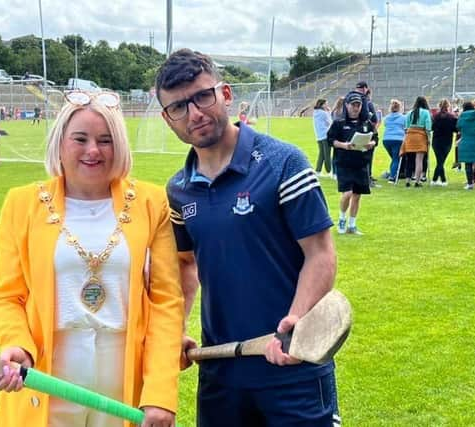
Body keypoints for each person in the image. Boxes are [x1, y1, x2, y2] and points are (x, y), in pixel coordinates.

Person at [156, 48, 340, 427]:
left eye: (202, 96)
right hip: (221, 370)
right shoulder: (178, 190)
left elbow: (320, 254)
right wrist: (177, 329)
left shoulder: (284, 162)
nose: (194, 113)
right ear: (167, 118)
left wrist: (295, 321)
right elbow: (186, 265)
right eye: (179, 107)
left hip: (292, 365)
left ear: (225, 94)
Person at [0, 90, 184, 427]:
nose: (93, 150)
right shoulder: (22, 204)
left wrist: (160, 393)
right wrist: (17, 344)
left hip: (122, 378)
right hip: (47, 378)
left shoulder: (151, 203)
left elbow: (166, 302)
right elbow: (6, 296)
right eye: (81, 138)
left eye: (105, 140)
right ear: (60, 142)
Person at [327, 92, 378, 235]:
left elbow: (375, 139)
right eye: (353, 105)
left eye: (358, 105)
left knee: (357, 195)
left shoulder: (366, 123)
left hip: (361, 163)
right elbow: (331, 140)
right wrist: (345, 145)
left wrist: (371, 144)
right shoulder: (339, 123)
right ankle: (342, 218)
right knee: (347, 193)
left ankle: (352, 224)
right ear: (347, 105)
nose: (356, 108)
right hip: (344, 162)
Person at [400, 96, 431, 188]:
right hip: (420, 136)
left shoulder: (409, 113)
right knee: (419, 160)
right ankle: (417, 181)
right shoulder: (426, 113)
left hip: (410, 136)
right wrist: (428, 138)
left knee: (409, 160)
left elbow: (406, 127)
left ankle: (408, 180)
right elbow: (428, 127)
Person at [430, 99, 458, 186]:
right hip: (447, 141)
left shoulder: (435, 116)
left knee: (440, 160)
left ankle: (439, 180)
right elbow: (455, 129)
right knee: (441, 161)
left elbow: (432, 127)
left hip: (436, 141)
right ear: (448, 106)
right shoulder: (452, 117)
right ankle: (439, 180)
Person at [382, 99, 406, 184]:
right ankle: (392, 177)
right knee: (396, 159)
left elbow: (385, 124)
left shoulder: (387, 118)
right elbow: (406, 127)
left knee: (394, 158)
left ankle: (395, 172)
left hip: (386, 140)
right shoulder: (403, 118)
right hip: (398, 139)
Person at [313, 98, 333, 176]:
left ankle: (318, 170)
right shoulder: (324, 113)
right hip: (326, 135)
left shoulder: (315, 113)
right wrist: (329, 112)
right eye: (325, 104)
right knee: (327, 154)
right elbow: (330, 122)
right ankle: (329, 171)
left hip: (319, 135)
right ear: (322, 105)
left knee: (321, 154)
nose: (327, 105)